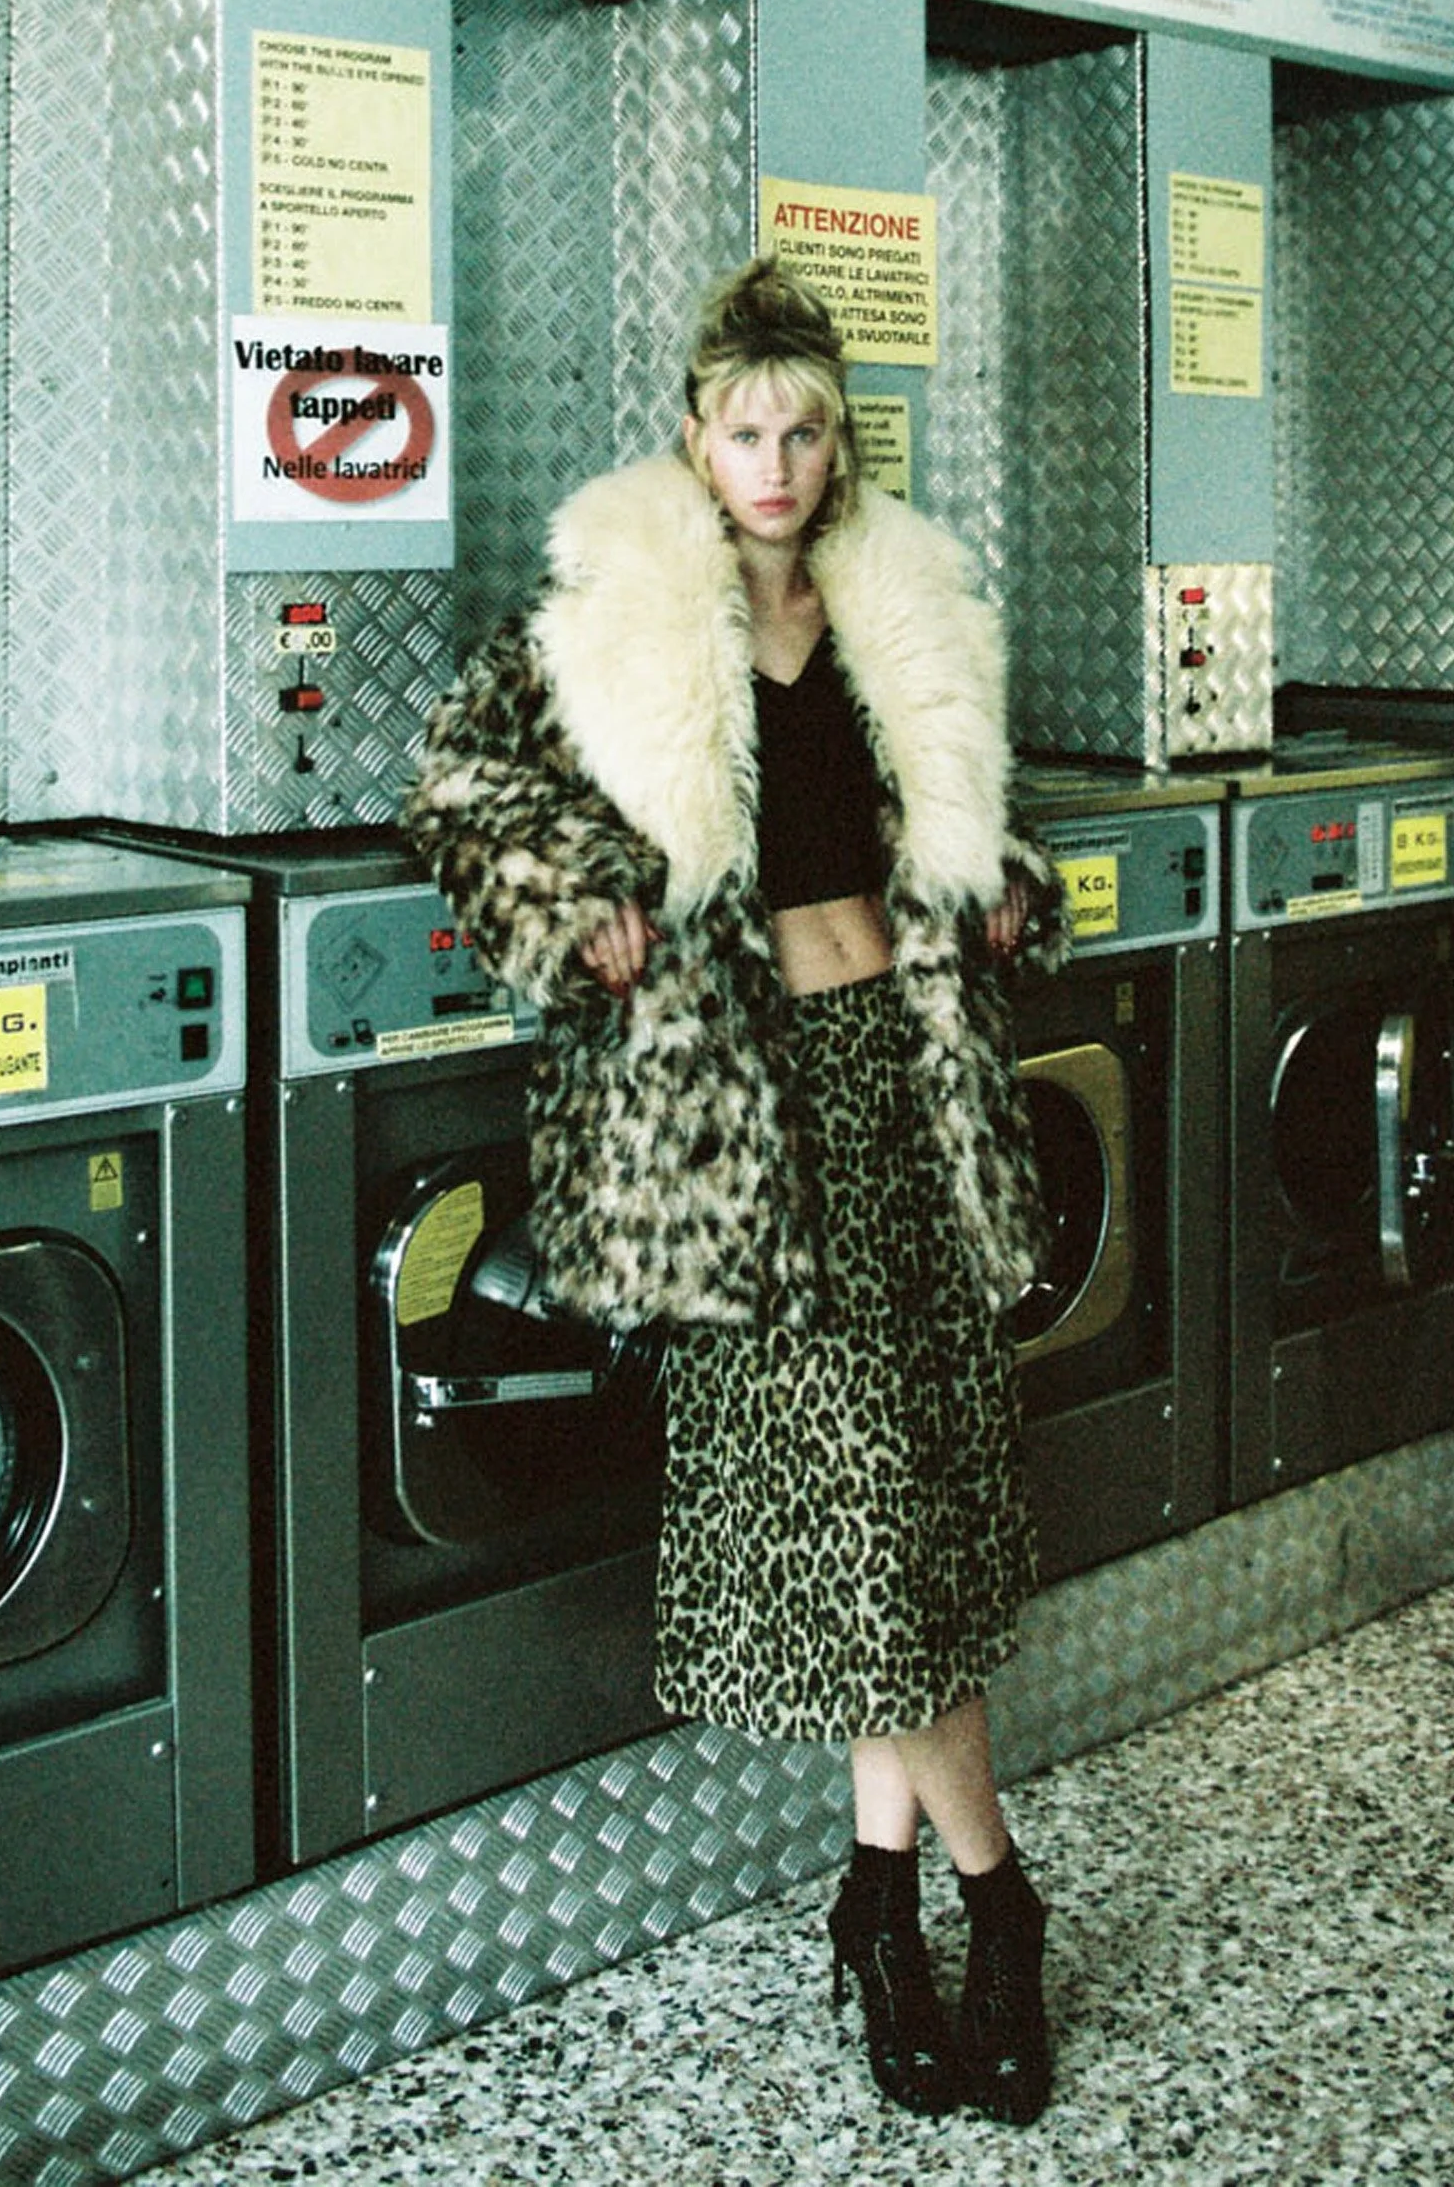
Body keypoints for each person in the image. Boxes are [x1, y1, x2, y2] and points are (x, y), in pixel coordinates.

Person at [404, 255, 1070, 2123]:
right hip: (738, 1130)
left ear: (837, 444)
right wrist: (577, 903)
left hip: (905, 1097)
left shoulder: (899, 610)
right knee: (870, 1528)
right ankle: (996, 1904)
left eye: (804, 431)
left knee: (905, 1521)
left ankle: (878, 1908)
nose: (773, 462)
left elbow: (945, 828)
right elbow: (457, 787)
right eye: (742, 428)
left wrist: (1007, 877)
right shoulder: (613, 617)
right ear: (694, 438)